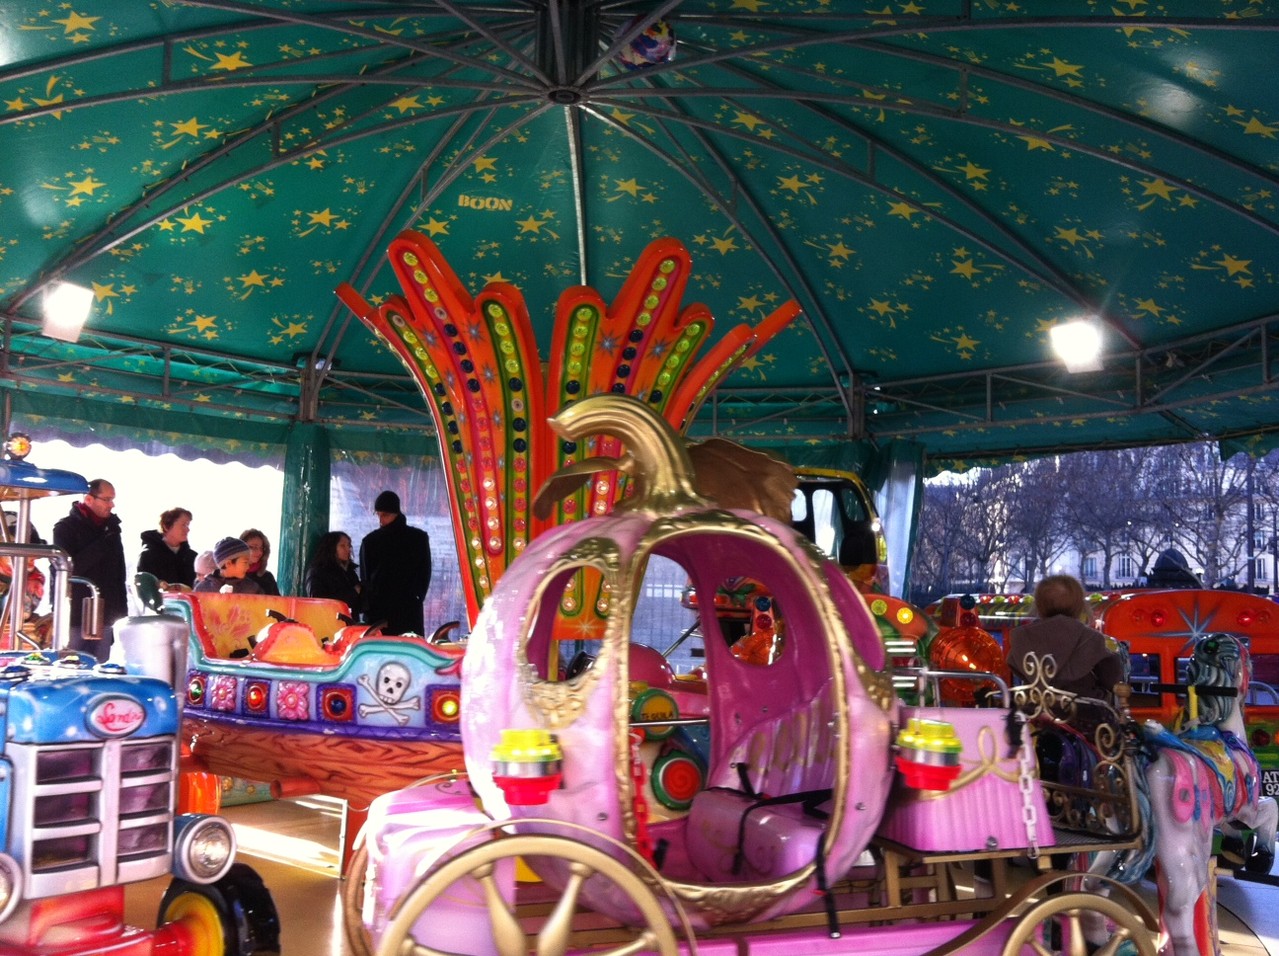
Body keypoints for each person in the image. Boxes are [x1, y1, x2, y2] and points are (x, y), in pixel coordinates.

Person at [1006, 574, 1124, 699]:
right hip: (1084, 710)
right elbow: (1111, 679)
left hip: (1033, 707)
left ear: (1039, 605)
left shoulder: (1021, 636)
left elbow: (1015, 666)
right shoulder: (1091, 638)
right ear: (1079, 605)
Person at [52, 478, 127, 661]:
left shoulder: (113, 530)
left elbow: (119, 576)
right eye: (107, 499)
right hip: (74, 616)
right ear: (89, 499)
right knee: (69, 668)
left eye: (112, 499)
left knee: (98, 671)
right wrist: (101, 545)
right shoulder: (65, 528)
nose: (112, 505)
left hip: (105, 617)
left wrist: (121, 615)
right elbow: (65, 570)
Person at [360, 490, 431, 635]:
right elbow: (425, 574)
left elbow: (366, 579)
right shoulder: (418, 538)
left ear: (395, 513)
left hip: (380, 613)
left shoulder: (371, 541)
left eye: (384, 515)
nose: (381, 520)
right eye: (378, 515)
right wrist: (417, 597)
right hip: (409, 609)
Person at [137, 507, 197, 590]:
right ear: (166, 526)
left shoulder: (193, 557)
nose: (187, 529)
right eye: (183, 525)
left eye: (188, 525)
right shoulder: (148, 556)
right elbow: (145, 588)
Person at [305, 531, 362, 617]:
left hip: (350, 622)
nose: (348, 549)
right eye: (343, 546)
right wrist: (354, 592)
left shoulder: (349, 571)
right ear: (331, 548)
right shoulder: (318, 572)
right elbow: (318, 601)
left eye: (349, 545)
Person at [194, 537, 264, 595]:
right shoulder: (202, 589)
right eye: (245, 562)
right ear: (228, 564)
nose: (248, 567)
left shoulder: (252, 589)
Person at [239, 528, 280, 596]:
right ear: (241, 548)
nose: (259, 552)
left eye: (262, 548)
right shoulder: (230, 575)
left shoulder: (267, 577)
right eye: (254, 547)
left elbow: (277, 604)